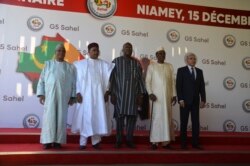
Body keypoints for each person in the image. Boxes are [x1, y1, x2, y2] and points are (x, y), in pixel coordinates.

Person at [71, 43, 115, 150]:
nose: (95, 52)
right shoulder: (80, 65)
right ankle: (82, 142)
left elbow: (108, 80)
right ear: (88, 51)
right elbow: (76, 80)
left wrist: (107, 92)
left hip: (99, 97)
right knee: (84, 117)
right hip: (85, 97)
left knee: (97, 117)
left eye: (97, 50)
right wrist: (77, 92)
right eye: (93, 50)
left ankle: (96, 142)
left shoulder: (104, 65)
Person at [37, 43, 76, 149]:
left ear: (65, 53)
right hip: (50, 96)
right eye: (59, 50)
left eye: (63, 51)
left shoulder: (70, 67)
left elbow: (74, 83)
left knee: (61, 118)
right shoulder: (48, 64)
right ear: (55, 53)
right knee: (49, 118)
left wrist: (73, 96)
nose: (61, 52)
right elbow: (41, 80)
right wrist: (41, 94)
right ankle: (47, 141)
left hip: (64, 97)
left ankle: (58, 141)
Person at [110, 42, 146, 148]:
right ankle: (119, 140)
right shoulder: (116, 61)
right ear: (123, 49)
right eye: (126, 47)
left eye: (130, 47)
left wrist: (141, 95)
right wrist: (112, 93)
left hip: (132, 97)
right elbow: (111, 79)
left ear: (132, 50)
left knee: (131, 119)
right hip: (119, 96)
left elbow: (140, 80)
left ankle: (129, 140)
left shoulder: (136, 63)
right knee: (119, 120)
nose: (128, 49)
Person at [145, 46, 177, 150]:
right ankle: (154, 142)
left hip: (167, 98)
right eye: (159, 54)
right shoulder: (152, 66)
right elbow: (147, 81)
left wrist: (174, 95)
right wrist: (150, 93)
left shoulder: (170, 66)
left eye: (163, 54)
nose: (162, 55)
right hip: (156, 98)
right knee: (156, 119)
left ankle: (166, 142)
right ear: (156, 55)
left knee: (167, 118)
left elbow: (172, 82)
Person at [176, 52, 206, 150]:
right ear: (186, 60)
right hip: (184, 102)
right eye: (191, 58)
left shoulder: (200, 71)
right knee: (184, 123)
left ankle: (195, 143)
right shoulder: (181, 70)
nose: (193, 60)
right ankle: (183, 144)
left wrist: (203, 99)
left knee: (196, 123)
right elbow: (178, 86)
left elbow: (202, 87)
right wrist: (180, 99)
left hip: (195, 102)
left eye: (194, 58)